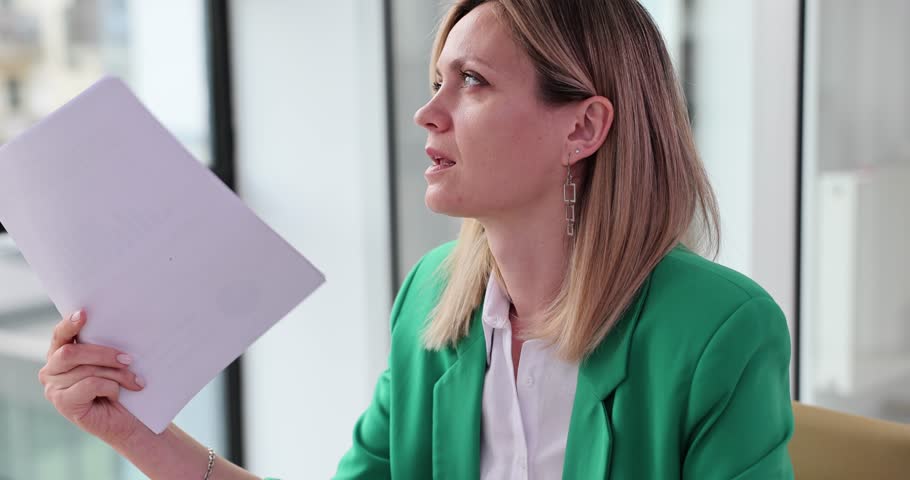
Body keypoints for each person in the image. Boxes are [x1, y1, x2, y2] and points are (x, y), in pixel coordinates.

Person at [38, 0, 795, 478]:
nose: (427, 113)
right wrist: (139, 434)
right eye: (438, 79)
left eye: (472, 82)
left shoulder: (720, 330)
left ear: (583, 127)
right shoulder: (432, 303)